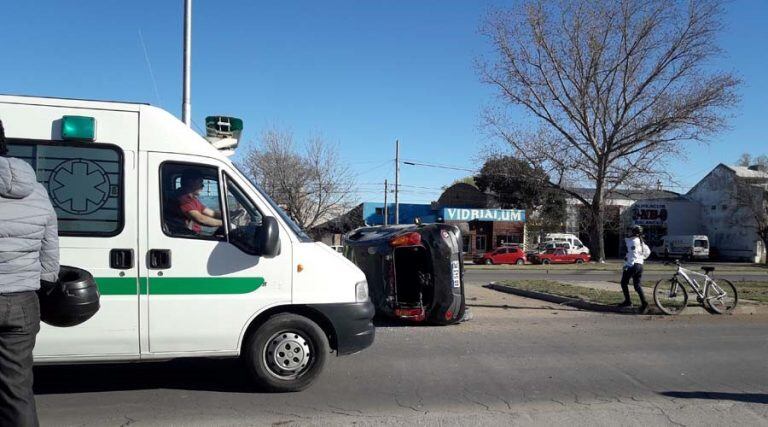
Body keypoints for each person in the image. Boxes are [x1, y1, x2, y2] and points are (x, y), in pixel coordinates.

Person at [0, 119, 59, 426]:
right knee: (16, 389)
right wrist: (44, 284)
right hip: (22, 301)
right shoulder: (36, 190)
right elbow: (50, 248)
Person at [176, 169, 223, 234]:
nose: (203, 185)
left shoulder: (193, 199)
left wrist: (227, 215)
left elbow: (212, 213)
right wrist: (224, 223)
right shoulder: (183, 198)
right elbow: (200, 219)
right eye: (200, 182)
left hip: (193, 235)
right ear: (190, 182)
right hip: (188, 237)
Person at [619, 225, 651, 313]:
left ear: (634, 232)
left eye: (630, 231)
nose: (628, 232)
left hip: (633, 265)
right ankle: (644, 303)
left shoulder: (632, 242)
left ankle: (628, 302)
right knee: (637, 286)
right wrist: (641, 258)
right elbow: (648, 252)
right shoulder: (641, 242)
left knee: (623, 283)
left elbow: (632, 255)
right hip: (640, 265)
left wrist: (627, 265)